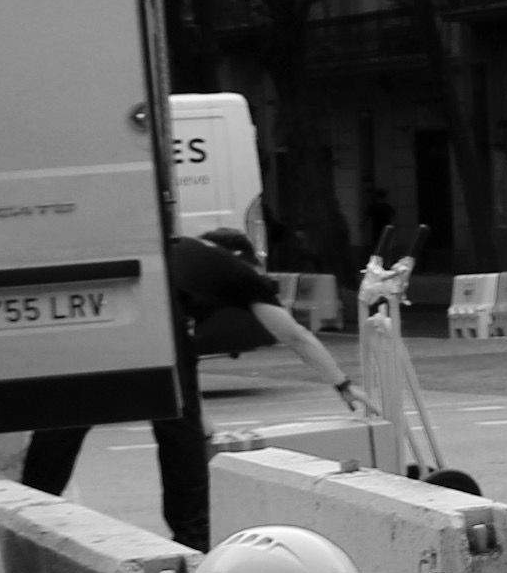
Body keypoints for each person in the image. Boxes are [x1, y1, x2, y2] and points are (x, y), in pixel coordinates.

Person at [18, 229, 363, 548]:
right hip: (157, 333)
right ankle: (190, 541)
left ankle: (23, 515)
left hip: (96, 320)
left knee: (63, 425)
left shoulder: (179, 248)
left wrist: (205, 426)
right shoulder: (239, 272)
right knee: (179, 439)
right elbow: (295, 336)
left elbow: (188, 375)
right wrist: (343, 385)